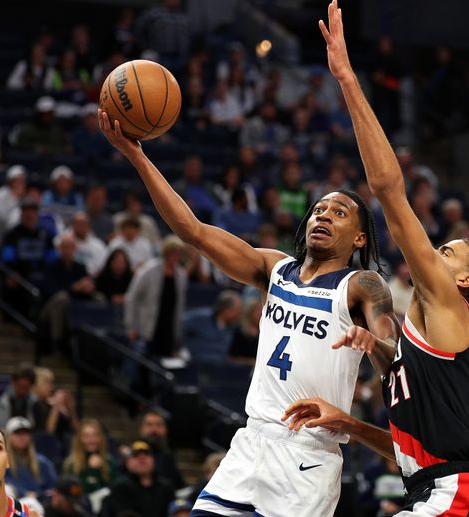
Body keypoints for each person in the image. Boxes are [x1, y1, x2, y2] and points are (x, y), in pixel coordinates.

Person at [99, 66, 400, 516]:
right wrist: (137, 155)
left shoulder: (361, 285)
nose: (323, 216)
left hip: (308, 456)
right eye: (319, 209)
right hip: (251, 442)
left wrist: (372, 341)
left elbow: (395, 359)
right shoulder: (274, 269)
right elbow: (194, 232)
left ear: (360, 238)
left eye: (339, 213)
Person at [283, 1, 469, 516]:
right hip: (439, 492)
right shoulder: (426, 340)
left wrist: (347, 80)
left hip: (456, 496)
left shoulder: (449, 302)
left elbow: (387, 189)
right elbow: (412, 455)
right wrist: (352, 421)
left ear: (465, 278)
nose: (434, 252)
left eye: (447, 251)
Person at [106, 441, 174, 517]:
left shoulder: (166, 487)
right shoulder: (119, 487)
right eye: (136, 455)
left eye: (146, 454)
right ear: (127, 462)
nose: (142, 458)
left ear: (153, 460)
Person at [3, 417, 57, 500]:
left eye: (25, 433)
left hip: (39, 503)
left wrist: (40, 496)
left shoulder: (42, 462)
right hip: (13, 503)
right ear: (8, 436)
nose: (22, 437)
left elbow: (52, 487)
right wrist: (23, 493)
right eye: (17, 433)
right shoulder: (2, 461)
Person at [62, 419, 116, 495]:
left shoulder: (110, 462)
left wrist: (98, 471)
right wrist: (91, 471)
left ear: (101, 438)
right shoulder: (71, 464)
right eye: (86, 436)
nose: (91, 440)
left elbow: (114, 490)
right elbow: (74, 492)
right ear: (79, 439)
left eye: (95, 435)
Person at [138, 410, 185, 492]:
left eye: (158, 425)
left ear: (166, 429)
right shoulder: (132, 456)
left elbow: (179, 486)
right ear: (141, 429)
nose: (154, 429)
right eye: (149, 425)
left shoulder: (168, 458)